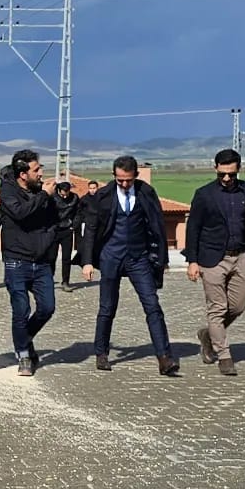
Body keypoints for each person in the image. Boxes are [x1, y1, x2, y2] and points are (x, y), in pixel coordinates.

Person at [80, 155, 179, 376]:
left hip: (138, 257)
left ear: (136, 175)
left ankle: (165, 357)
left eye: (128, 180)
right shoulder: (104, 196)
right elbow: (91, 230)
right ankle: (101, 352)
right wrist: (87, 262)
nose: (124, 184)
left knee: (152, 305)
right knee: (107, 306)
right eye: (120, 180)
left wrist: (162, 259)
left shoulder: (146, 193)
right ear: (114, 176)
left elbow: (158, 226)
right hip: (110, 256)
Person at [183, 148, 245, 376]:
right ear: (215, 169)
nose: (226, 178)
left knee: (238, 306)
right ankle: (223, 355)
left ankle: (207, 335)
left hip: (240, 256)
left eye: (231, 174)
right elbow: (193, 228)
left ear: (238, 170)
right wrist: (192, 261)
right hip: (211, 258)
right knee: (217, 308)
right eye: (222, 174)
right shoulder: (203, 194)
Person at [0, 149, 58, 376]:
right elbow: (21, 213)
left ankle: (24, 336)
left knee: (47, 307)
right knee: (21, 310)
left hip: (41, 262)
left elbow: (53, 219)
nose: (41, 172)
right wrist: (45, 196)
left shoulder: (39, 192)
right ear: (23, 174)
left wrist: (49, 240)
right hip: (16, 262)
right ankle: (23, 353)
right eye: (37, 169)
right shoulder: (8, 191)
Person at [53, 181, 81, 292]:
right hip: (54, 231)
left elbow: (78, 213)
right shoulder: (52, 198)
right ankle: (48, 281)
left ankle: (65, 282)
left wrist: (73, 226)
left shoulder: (74, 198)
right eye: (62, 194)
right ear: (58, 191)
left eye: (66, 193)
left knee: (66, 258)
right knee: (51, 257)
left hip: (67, 230)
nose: (64, 196)